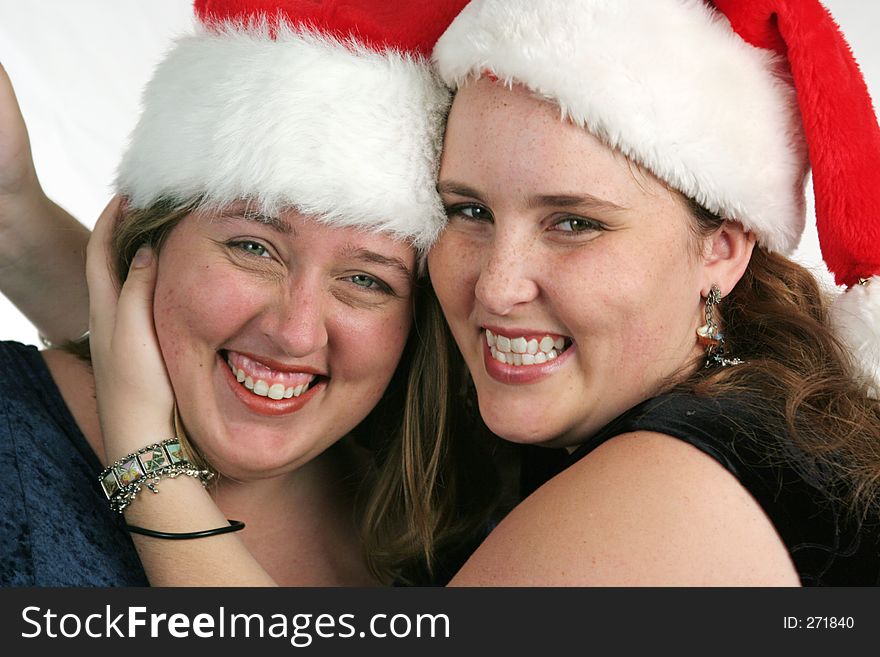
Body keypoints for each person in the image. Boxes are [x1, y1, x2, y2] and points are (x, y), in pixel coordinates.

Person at [72, 0, 880, 587]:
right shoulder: (726, 414)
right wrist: (23, 226)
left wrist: (146, 456)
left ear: (722, 252)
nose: (495, 284)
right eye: (468, 211)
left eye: (574, 223)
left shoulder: (668, 489)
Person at [0, 0, 496, 587]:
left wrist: (145, 458)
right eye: (253, 248)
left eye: (366, 280)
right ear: (142, 234)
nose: (295, 331)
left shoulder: (464, 523)